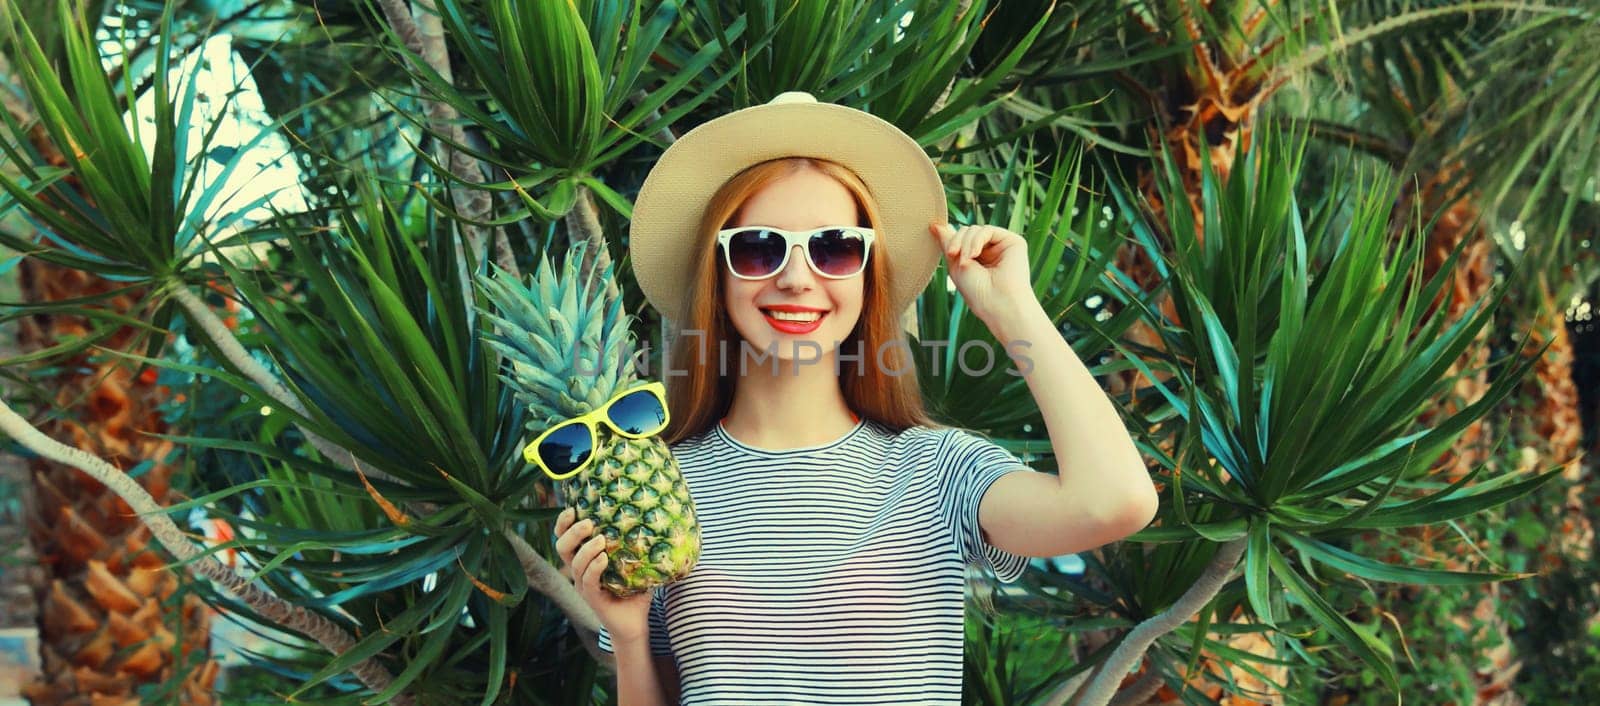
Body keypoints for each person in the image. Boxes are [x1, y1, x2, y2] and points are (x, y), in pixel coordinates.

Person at [553, 91, 1158, 705]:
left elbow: (1116, 502)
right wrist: (628, 637)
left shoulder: (939, 470)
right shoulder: (663, 485)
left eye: (834, 248)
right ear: (720, 273)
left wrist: (1013, 310)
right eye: (759, 248)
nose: (794, 278)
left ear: (869, 278)